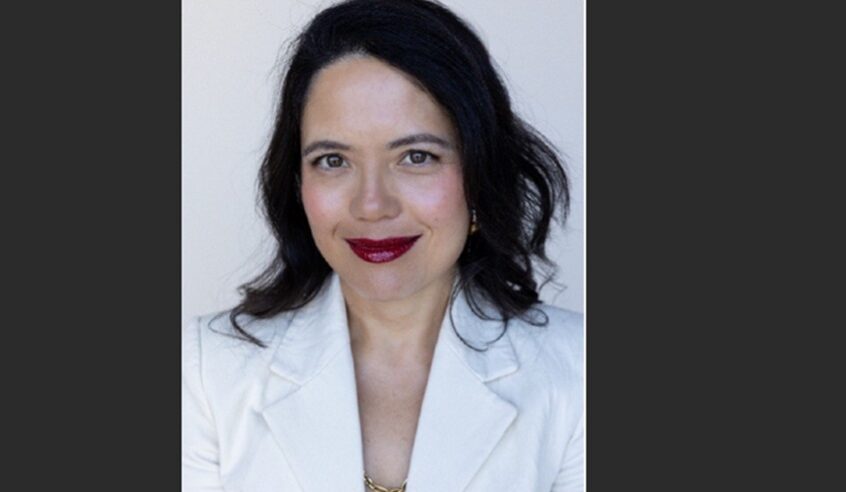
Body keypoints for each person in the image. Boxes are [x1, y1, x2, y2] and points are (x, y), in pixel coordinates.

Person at [182, 0, 583, 490]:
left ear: (480, 174)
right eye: (333, 160)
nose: (372, 205)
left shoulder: (578, 372)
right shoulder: (205, 370)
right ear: (297, 184)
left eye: (416, 156)